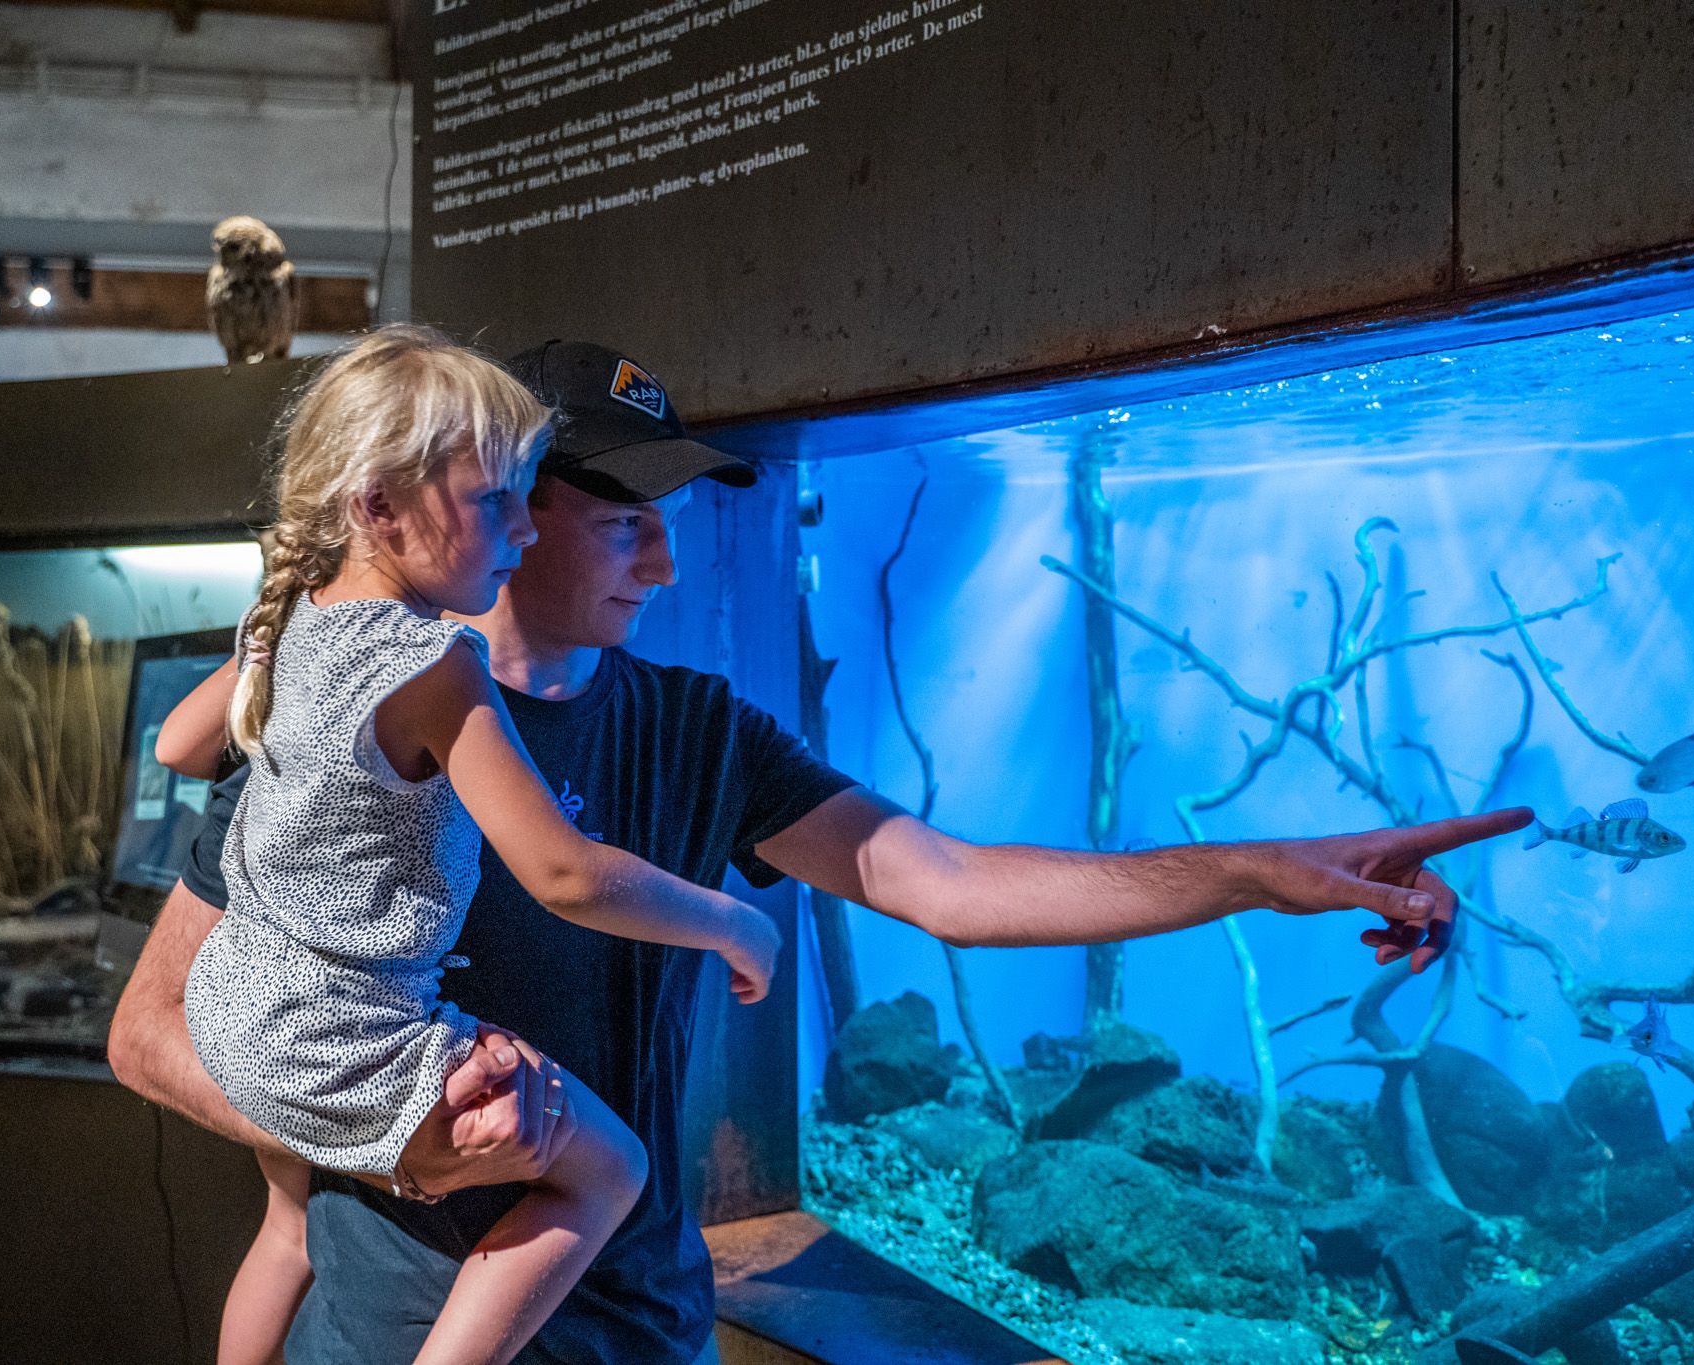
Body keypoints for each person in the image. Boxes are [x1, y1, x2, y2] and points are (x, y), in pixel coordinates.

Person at [110, 336, 1531, 1365]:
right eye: (626, 522)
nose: (663, 564)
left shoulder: (699, 733)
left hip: (642, 1320)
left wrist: (1263, 869)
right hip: (390, 1329)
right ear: (511, 506)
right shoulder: (343, 719)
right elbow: (153, 1032)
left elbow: (951, 885)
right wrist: (394, 1148)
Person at [161, 326, 780, 1365]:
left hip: (235, 1012)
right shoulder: (437, 666)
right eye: (496, 500)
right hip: (340, 1038)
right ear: (378, 506)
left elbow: (183, 748)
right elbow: (565, 873)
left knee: (284, 1231)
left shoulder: (288, 623)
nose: (523, 532)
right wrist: (733, 923)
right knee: (610, 1172)